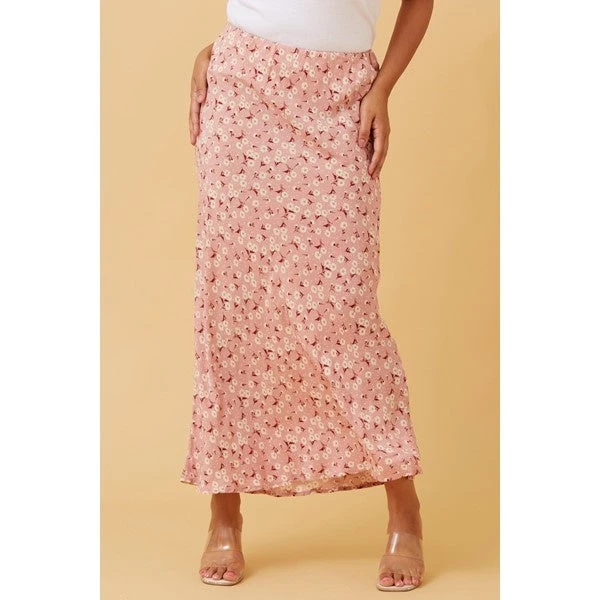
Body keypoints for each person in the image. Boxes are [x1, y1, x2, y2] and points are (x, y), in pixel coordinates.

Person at [181, 0, 434, 591]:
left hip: (343, 98)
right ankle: (224, 512)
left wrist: (383, 88)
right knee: (232, 303)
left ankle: (405, 508)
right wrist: (215, 51)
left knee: (344, 313)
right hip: (243, 92)